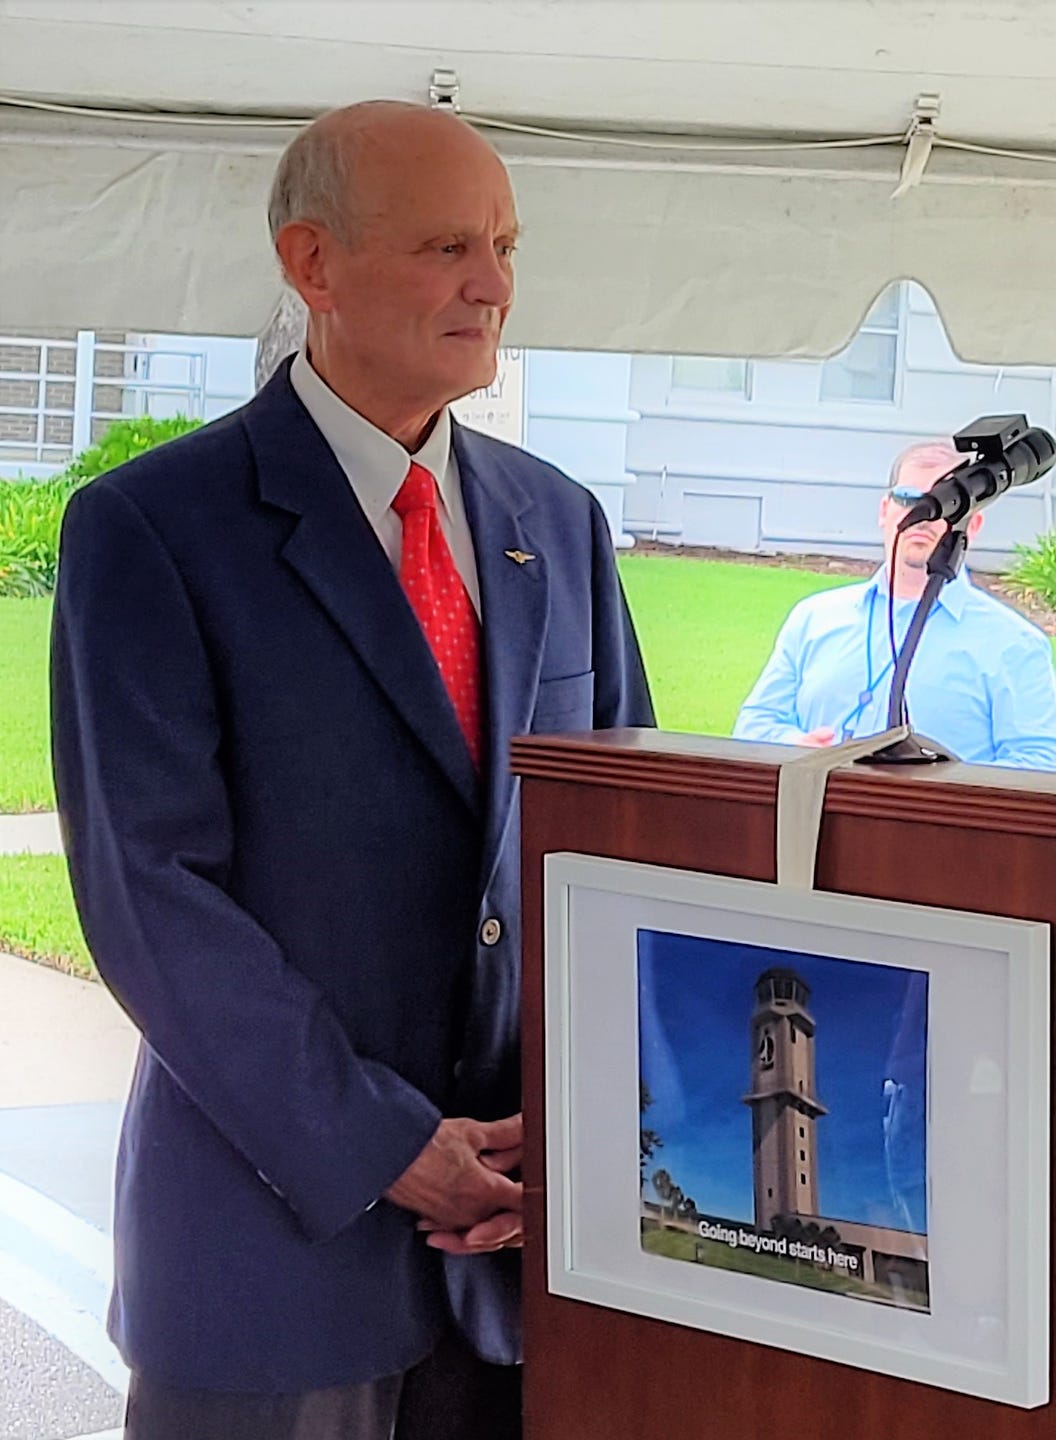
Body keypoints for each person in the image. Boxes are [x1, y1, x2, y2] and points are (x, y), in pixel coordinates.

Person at [50, 101, 652, 1439]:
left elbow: (629, 849)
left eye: (503, 245)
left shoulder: (561, 522)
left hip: (521, 1257)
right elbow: (153, 900)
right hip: (271, 1255)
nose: (491, 285)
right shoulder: (152, 530)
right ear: (311, 263)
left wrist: (590, 1132)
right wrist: (388, 1148)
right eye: (448, 247)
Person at [733, 440, 1056, 771]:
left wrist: (941, 790)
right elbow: (754, 724)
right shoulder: (813, 618)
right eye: (909, 499)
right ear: (884, 510)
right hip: (816, 823)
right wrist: (795, 746)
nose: (923, 516)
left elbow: (1046, 763)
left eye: (945, 503)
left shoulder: (1013, 643)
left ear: (973, 524)